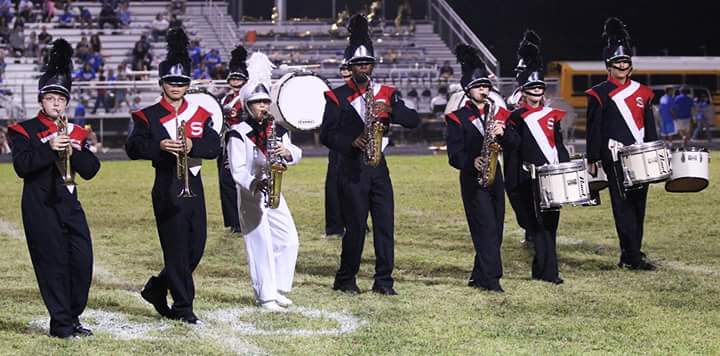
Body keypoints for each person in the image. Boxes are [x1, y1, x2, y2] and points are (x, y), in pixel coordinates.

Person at [125, 28, 220, 324]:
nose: (176, 86)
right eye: (171, 81)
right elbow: (132, 147)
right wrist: (159, 146)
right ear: (162, 83)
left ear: (188, 84)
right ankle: (183, 307)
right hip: (167, 184)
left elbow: (214, 146)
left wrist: (193, 145)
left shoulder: (202, 113)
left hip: (195, 183)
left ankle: (156, 287)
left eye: (181, 81)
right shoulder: (148, 115)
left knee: (196, 247)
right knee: (176, 247)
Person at [7, 39, 100, 338]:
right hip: (40, 205)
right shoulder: (21, 130)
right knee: (53, 264)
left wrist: (76, 149)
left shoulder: (77, 131)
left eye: (62, 98)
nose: (56, 103)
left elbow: (92, 170)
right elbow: (22, 166)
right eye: (51, 98)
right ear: (41, 100)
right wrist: (49, 147)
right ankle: (61, 324)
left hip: (70, 203)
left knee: (82, 261)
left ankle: (72, 316)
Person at [320, 15, 419, 296]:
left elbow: (413, 120)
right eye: (358, 64)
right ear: (350, 68)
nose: (364, 68)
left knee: (385, 226)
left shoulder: (386, 93)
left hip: (379, 169)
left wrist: (390, 112)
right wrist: (353, 141)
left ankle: (384, 281)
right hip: (352, 169)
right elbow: (327, 135)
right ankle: (345, 278)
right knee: (354, 228)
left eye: (367, 64)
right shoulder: (336, 97)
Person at [226, 51, 301, 311]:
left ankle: (278, 288)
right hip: (252, 194)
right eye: (258, 102)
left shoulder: (277, 129)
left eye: (266, 102)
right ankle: (265, 295)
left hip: (273, 190)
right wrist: (253, 184)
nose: (263, 106)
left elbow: (296, 154)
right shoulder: (239, 133)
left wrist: (288, 153)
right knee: (260, 243)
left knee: (289, 239)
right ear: (247, 105)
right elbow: (237, 169)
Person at [585, 18, 658, 271]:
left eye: (626, 62)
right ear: (609, 66)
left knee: (639, 205)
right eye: (618, 62)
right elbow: (594, 128)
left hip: (640, 155)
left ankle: (632, 251)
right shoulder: (599, 93)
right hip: (615, 156)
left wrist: (654, 150)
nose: (623, 66)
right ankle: (631, 256)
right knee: (623, 205)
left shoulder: (643, 92)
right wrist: (593, 156)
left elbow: (649, 125)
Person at [445, 44, 511, 292]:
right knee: (485, 228)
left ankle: (478, 276)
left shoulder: (499, 114)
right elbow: (454, 154)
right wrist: (470, 161)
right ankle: (492, 280)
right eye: (478, 87)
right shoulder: (457, 118)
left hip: (496, 175)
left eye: (486, 86)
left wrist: (503, 134)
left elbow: (514, 143)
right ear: (468, 90)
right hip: (473, 179)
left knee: (496, 228)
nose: (484, 91)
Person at [504, 31, 567, 285]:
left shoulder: (553, 115)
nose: (538, 91)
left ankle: (546, 271)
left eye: (540, 87)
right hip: (525, 177)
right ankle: (546, 271)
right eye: (532, 88)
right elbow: (513, 148)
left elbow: (559, 145)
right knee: (537, 225)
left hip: (551, 175)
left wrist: (567, 166)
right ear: (523, 91)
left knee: (550, 225)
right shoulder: (515, 117)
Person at [218, 45, 248, 234]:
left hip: (241, 141)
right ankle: (232, 220)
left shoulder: (247, 98)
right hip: (225, 142)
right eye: (233, 77)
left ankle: (242, 219)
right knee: (225, 181)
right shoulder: (224, 98)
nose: (235, 80)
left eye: (239, 78)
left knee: (237, 179)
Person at [324, 61, 353, 239]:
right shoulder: (337, 94)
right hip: (339, 145)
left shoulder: (367, 92)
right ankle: (335, 226)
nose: (346, 71)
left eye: (348, 68)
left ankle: (358, 223)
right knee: (334, 185)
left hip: (361, 144)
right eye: (343, 69)